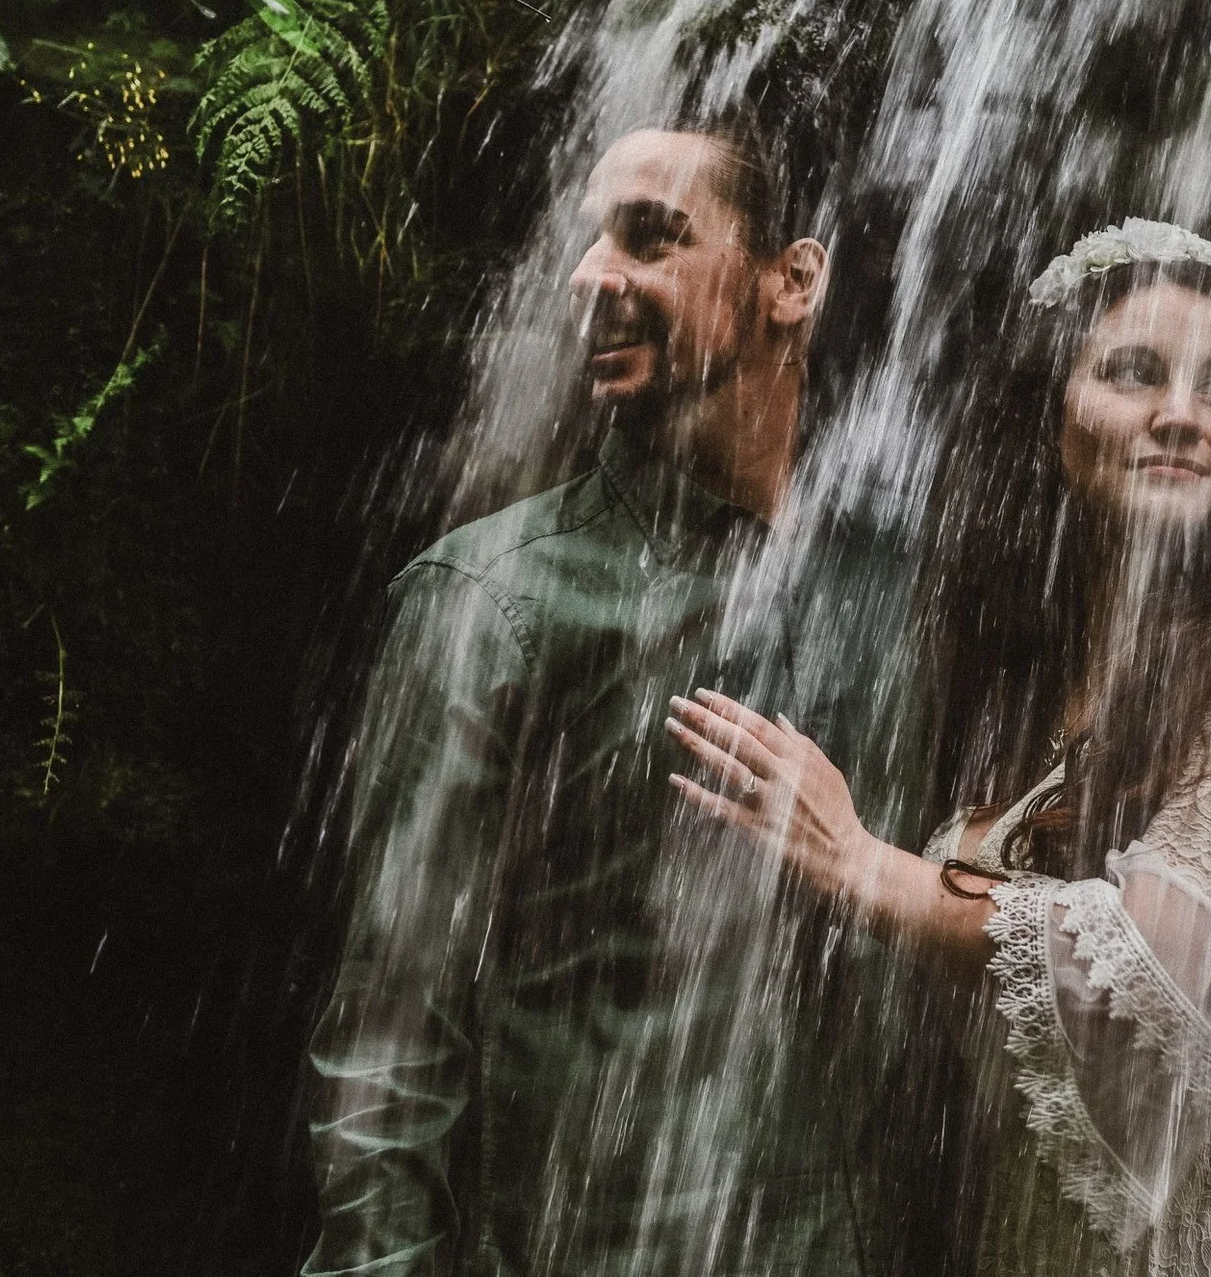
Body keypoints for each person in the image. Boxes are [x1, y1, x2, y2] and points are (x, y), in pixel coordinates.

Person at [667, 219, 1211, 1275]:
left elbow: (1169, 962)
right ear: (1049, 420)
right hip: (1044, 1231)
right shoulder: (1005, 684)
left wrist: (862, 861)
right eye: (1135, 373)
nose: (1180, 416)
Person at [299, 117, 924, 1277]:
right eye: (590, 240)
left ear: (792, 280)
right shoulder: (489, 598)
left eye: (650, 237)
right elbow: (391, 1028)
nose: (590, 276)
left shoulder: (902, 585)